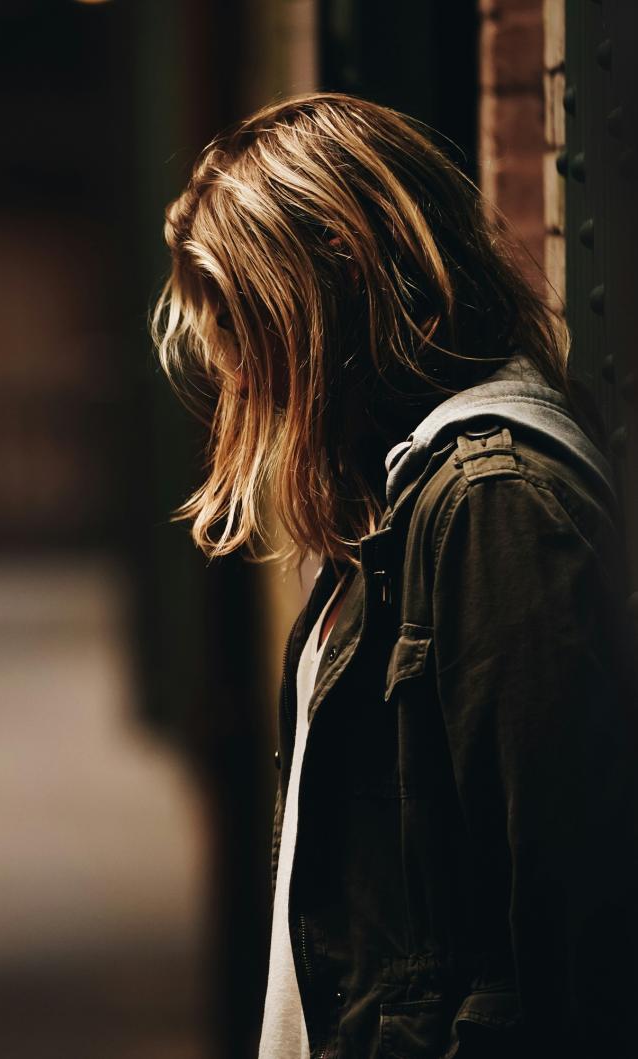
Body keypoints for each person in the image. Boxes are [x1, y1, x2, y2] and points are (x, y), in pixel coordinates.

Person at [151, 92, 638, 1059]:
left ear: (330, 292)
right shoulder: (404, 502)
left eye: (248, 329)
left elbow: (565, 944)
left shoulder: (493, 505)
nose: (239, 378)